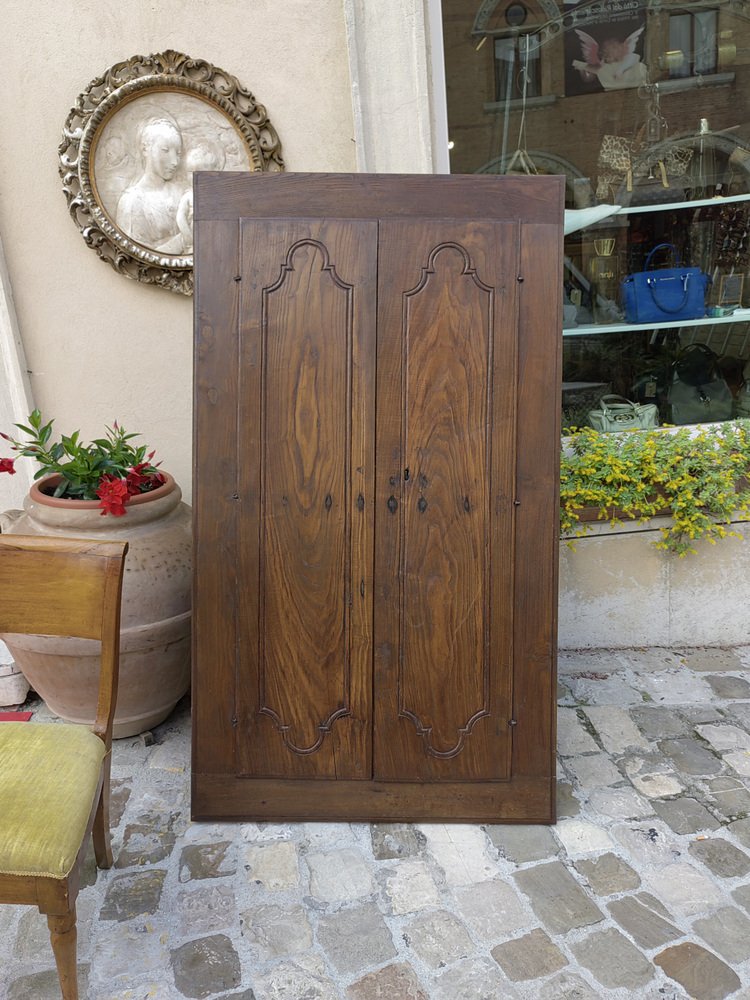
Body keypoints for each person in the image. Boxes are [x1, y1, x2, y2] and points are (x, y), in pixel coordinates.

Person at [116, 118, 186, 253]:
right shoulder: (132, 201)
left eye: (178, 153)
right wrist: (184, 239)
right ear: (145, 149)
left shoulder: (181, 193)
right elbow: (139, 257)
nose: (175, 162)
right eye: (165, 150)